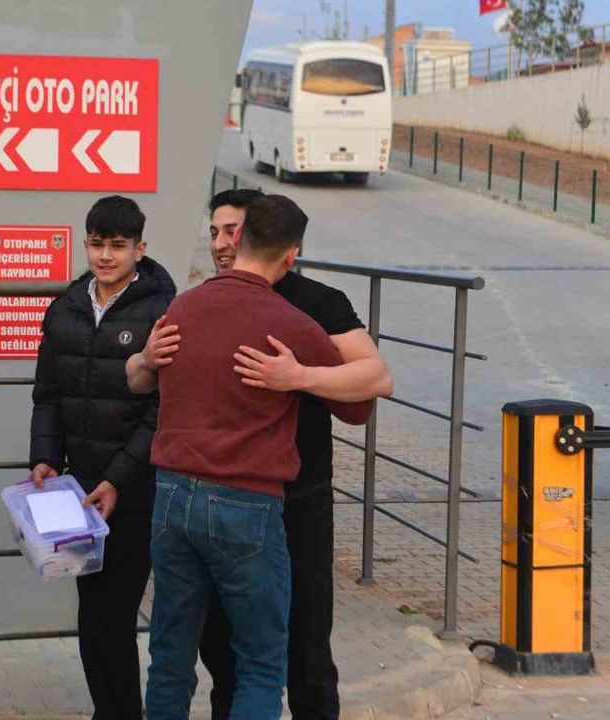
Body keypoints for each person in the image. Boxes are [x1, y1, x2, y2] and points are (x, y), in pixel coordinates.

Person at [146, 188, 393, 719]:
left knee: (177, 655)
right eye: (214, 232)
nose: (220, 242)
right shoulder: (280, 319)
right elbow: (365, 400)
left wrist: (299, 377)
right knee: (255, 662)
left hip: (200, 496)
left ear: (247, 239)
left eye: (229, 232)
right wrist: (301, 376)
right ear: (289, 252)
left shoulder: (191, 305)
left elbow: (144, 380)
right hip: (248, 499)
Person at [28, 196, 175, 720]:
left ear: (140, 248)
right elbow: (47, 395)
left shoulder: (163, 312)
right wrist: (46, 458)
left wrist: (118, 477)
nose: (106, 255)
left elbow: (162, 410)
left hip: (137, 490)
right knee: (93, 615)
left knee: (112, 614)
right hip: (79, 490)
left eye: (118, 245)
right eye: (96, 244)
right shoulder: (66, 308)